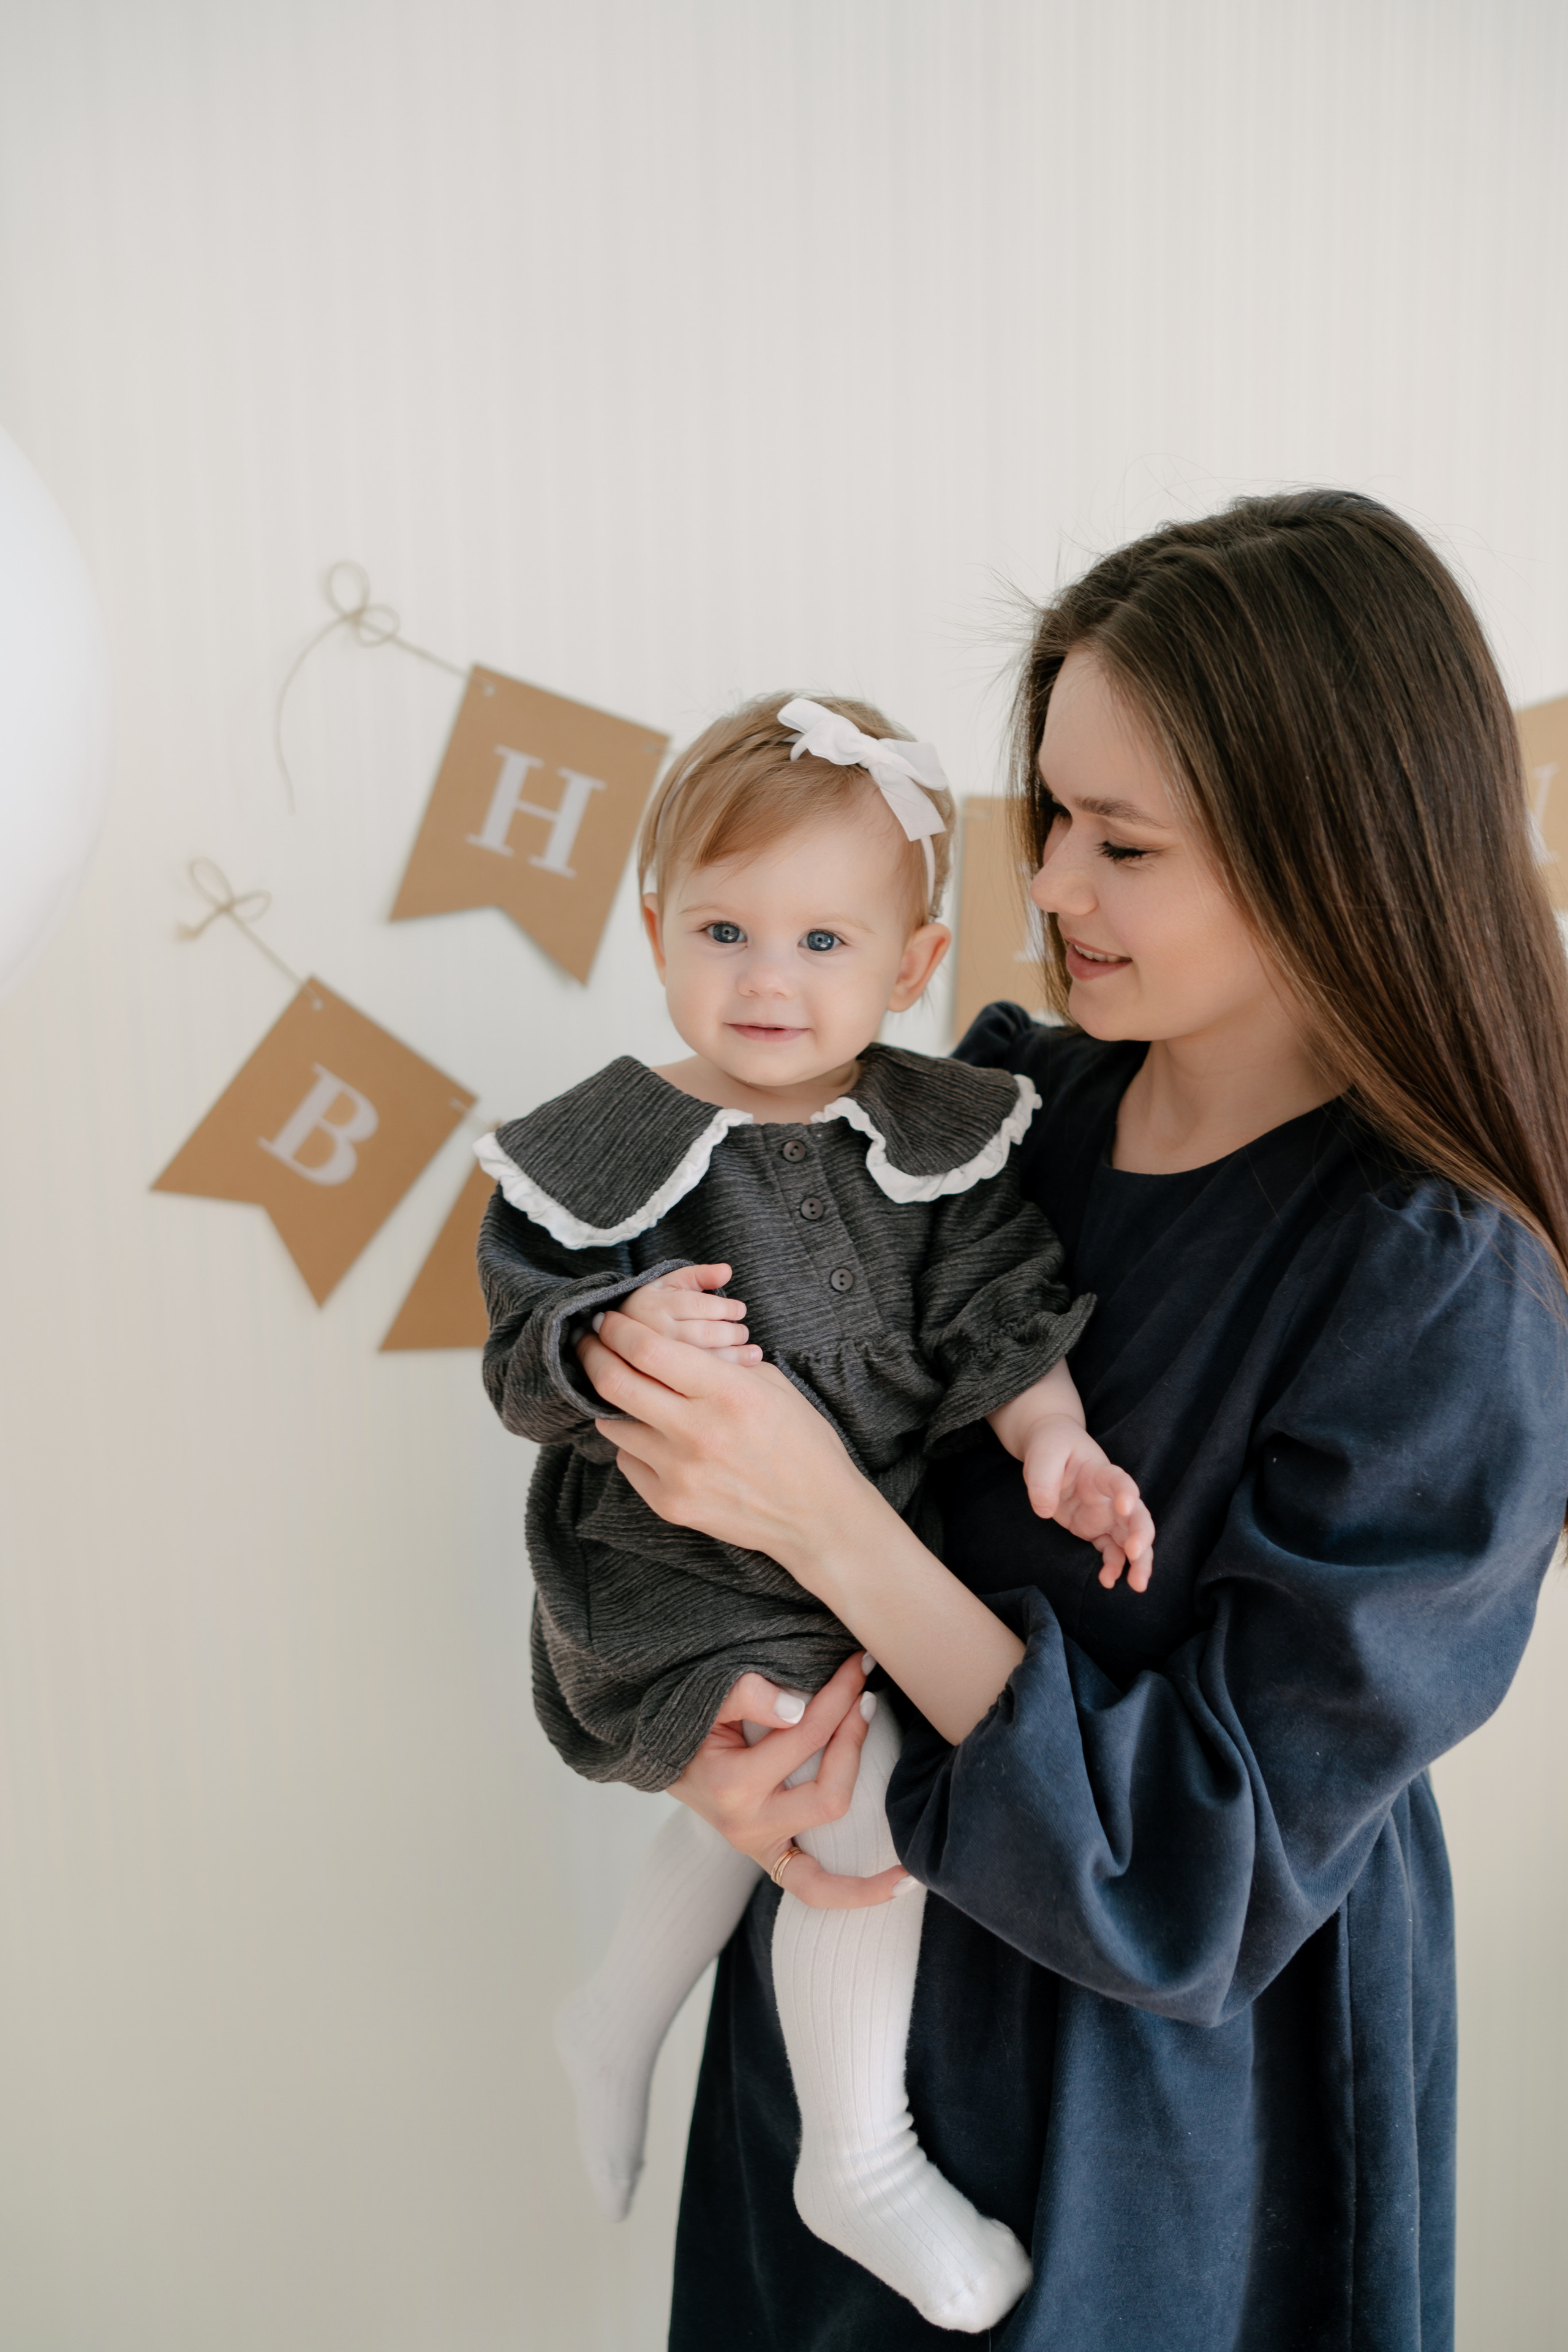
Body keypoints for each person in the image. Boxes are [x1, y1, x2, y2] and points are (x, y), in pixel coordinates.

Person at [578, 491, 1568, 2350]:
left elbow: (1203, 1871)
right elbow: (701, 1501)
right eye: (1052, 821)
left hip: (1167, 2118)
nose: (1048, 891)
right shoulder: (993, 1114)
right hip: (846, 2017)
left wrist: (832, 1533)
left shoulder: (1437, 1282)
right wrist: (719, 1747)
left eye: (1125, 843)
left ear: (1331, 853)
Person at [474, 693, 1153, 2331]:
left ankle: (619, 2009)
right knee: (859, 1785)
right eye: (724, 929)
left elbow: (1004, 1315)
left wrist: (1055, 1445)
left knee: (786, 1782)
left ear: (913, 967)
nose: (768, 980)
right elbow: (518, 1348)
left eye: (823, 938)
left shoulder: (939, 1134)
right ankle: (855, 2152)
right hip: (666, 1563)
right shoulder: (609, 1139)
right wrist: (608, 1333)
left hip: (855, 1553)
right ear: (653, 931)